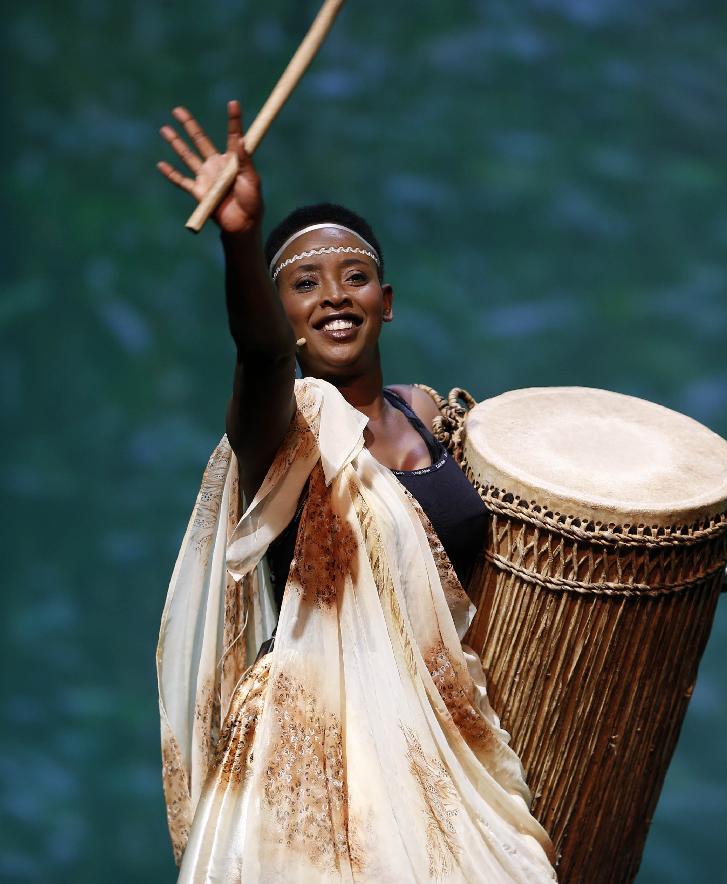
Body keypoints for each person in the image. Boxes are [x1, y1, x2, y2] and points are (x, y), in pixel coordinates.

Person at [155, 101, 558, 882]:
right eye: (304, 285)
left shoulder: (429, 413)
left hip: (443, 738)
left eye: (355, 277)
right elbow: (262, 356)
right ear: (286, 317)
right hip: (318, 755)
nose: (334, 295)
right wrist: (242, 241)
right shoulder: (283, 427)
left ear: (387, 300)